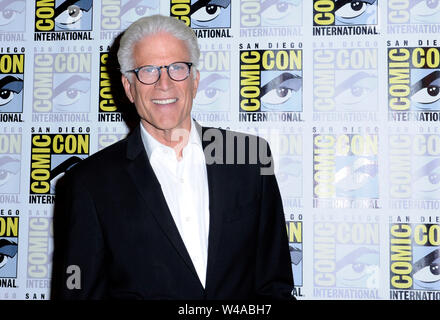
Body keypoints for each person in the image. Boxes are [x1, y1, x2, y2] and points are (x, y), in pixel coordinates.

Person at [51, 14, 294, 300]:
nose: (163, 84)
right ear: (129, 87)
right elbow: (78, 293)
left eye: (177, 68)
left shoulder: (249, 158)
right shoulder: (88, 184)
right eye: (148, 70)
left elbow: (274, 286)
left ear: (195, 80)